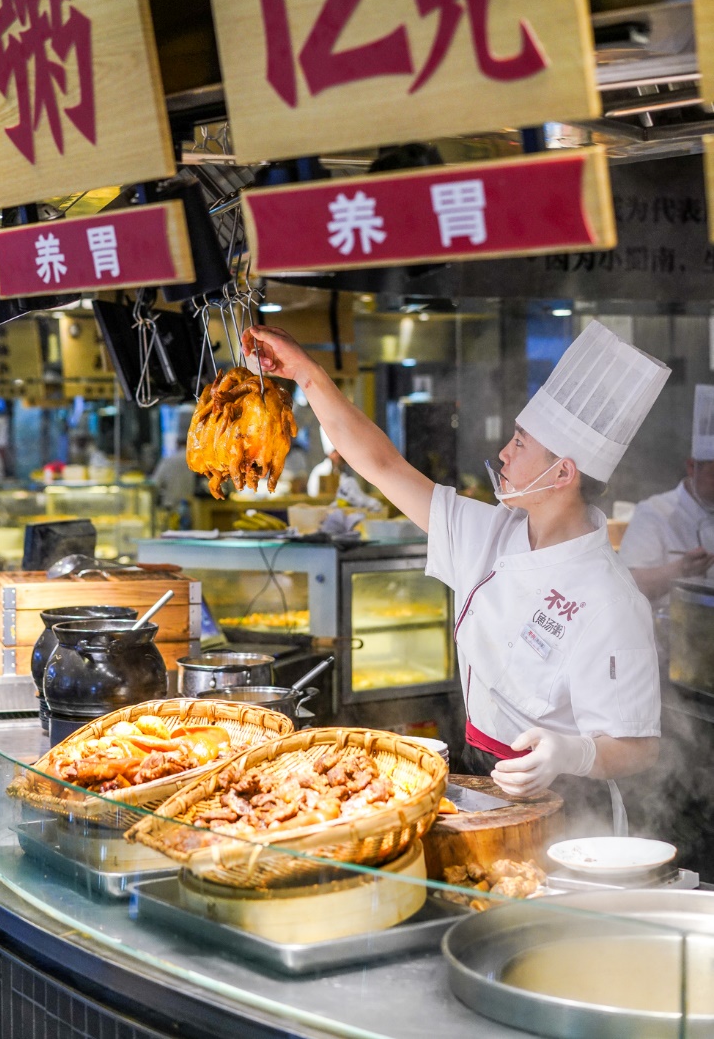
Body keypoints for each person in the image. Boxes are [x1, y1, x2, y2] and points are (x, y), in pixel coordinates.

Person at [243, 321, 668, 818]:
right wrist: (307, 374)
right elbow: (383, 466)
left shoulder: (612, 600)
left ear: (563, 473)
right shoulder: (491, 532)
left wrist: (570, 753)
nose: (504, 452)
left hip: (568, 803)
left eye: (520, 443)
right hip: (477, 773)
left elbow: (639, 748)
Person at [619, 383, 714, 607]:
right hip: (668, 627)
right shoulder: (654, 513)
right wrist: (681, 569)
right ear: (692, 467)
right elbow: (628, 587)